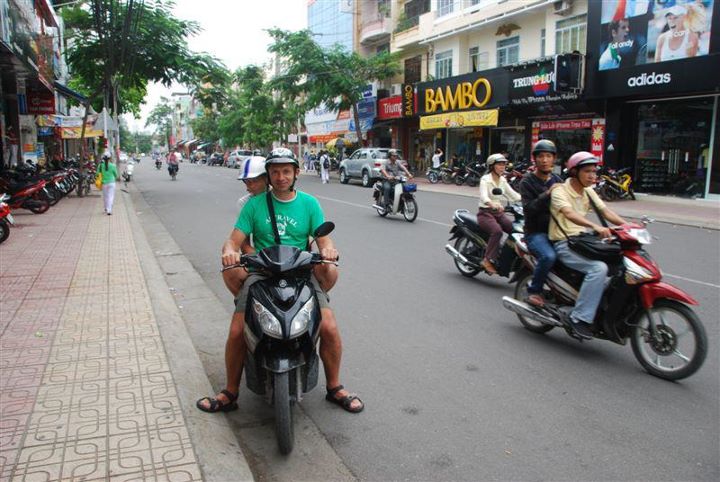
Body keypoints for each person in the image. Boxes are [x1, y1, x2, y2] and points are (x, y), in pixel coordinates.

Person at [196, 149, 361, 414]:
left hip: (301, 272)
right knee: (238, 330)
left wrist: (329, 251)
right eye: (275, 172)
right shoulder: (254, 205)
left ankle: (334, 387)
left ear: (296, 173)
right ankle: (230, 392)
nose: (281, 177)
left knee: (329, 326)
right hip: (261, 273)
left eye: (286, 171)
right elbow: (234, 240)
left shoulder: (309, 204)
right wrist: (229, 251)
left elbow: (324, 239)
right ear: (268, 175)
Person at [549, 152, 627, 339]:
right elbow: (569, 213)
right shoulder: (560, 191)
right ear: (574, 172)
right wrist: (594, 226)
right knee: (598, 269)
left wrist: (628, 226)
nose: (593, 176)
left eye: (594, 171)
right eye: (587, 171)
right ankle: (579, 318)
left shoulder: (589, 191)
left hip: (583, 240)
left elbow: (606, 212)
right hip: (564, 242)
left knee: (621, 262)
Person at [519, 140, 563, 308]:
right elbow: (529, 209)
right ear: (535, 159)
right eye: (541, 156)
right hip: (536, 233)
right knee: (548, 256)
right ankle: (534, 291)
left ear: (554, 159)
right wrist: (548, 193)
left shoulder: (558, 179)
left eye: (548, 156)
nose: (544, 160)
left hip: (558, 231)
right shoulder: (527, 182)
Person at [476, 153, 521, 275]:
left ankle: (506, 256)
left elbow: (513, 195)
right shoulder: (485, 179)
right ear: (492, 166)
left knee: (515, 230)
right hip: (485, 213)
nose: (502, 167)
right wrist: (491, 204)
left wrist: (529, 200)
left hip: (499, 213)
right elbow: (484, 196)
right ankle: (487, 260)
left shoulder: (503, 180)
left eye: (504, 164)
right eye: (499, 164)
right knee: (497, 231)